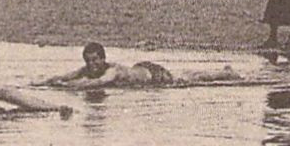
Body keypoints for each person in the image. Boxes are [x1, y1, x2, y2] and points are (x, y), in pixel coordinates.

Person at [44, 42, 241, 89]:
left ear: (103, 59)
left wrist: (73, 87)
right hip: (140, 69)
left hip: (153, 75)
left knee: (190, 78)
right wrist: (45, 82)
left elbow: (101, 82)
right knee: (188, 75)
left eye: (95, 60)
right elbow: (66, 75)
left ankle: (224, 73)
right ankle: (221, 72)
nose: (92, 64)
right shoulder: (87, 69)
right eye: (89, 61)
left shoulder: (112, 70)